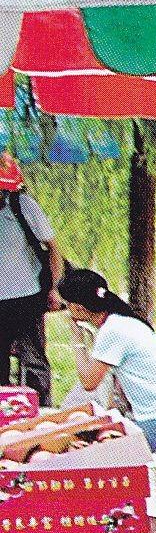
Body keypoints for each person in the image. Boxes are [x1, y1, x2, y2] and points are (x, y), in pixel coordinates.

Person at [56, 268, 156, 453]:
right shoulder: (123, 321)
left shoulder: (113, 330)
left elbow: (89, 382)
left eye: (67, 305)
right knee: (95, 434)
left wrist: (77, 339)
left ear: (77, 308)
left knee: (88, 447)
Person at [0, 158, 60, 403]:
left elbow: (54, 249)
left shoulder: (24, 207)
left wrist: (55, 288)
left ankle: (41, 413)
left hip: (27, 297)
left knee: (33, 360)